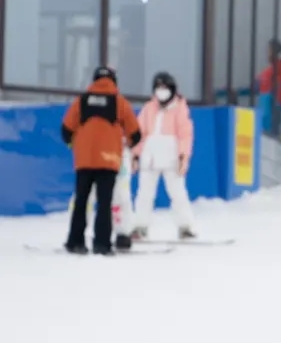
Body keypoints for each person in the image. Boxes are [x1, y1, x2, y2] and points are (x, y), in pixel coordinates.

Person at [61, 66, 141, 255]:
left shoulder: (82, 101)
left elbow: (66, 129)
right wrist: (125, 144)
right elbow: (135, 133)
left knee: (81, 200)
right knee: (105, 203)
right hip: (109, 160)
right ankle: (102, 244)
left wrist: (76, 145)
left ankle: (75, 242)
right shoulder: (119, 102)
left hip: (84, 161)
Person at [130, 72, 198, 240]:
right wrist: (135, 155)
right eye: (158, 88)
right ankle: (140, 226)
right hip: (150, 157)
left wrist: (183, 157)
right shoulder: (148, 108)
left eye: (165, 88)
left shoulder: (180, 108)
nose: (162, 91)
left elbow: (185, 134)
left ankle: (185, 227)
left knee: (178, 193)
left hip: (171, 157)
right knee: (144, 193)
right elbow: (140, 134)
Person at [255, 39, 281, 136]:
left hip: (269, 112)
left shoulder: (280, 69)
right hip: (265, 114)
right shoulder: (269, 72)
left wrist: (278, 105)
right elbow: (256, 86)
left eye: (268, 50)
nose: (267, 54)